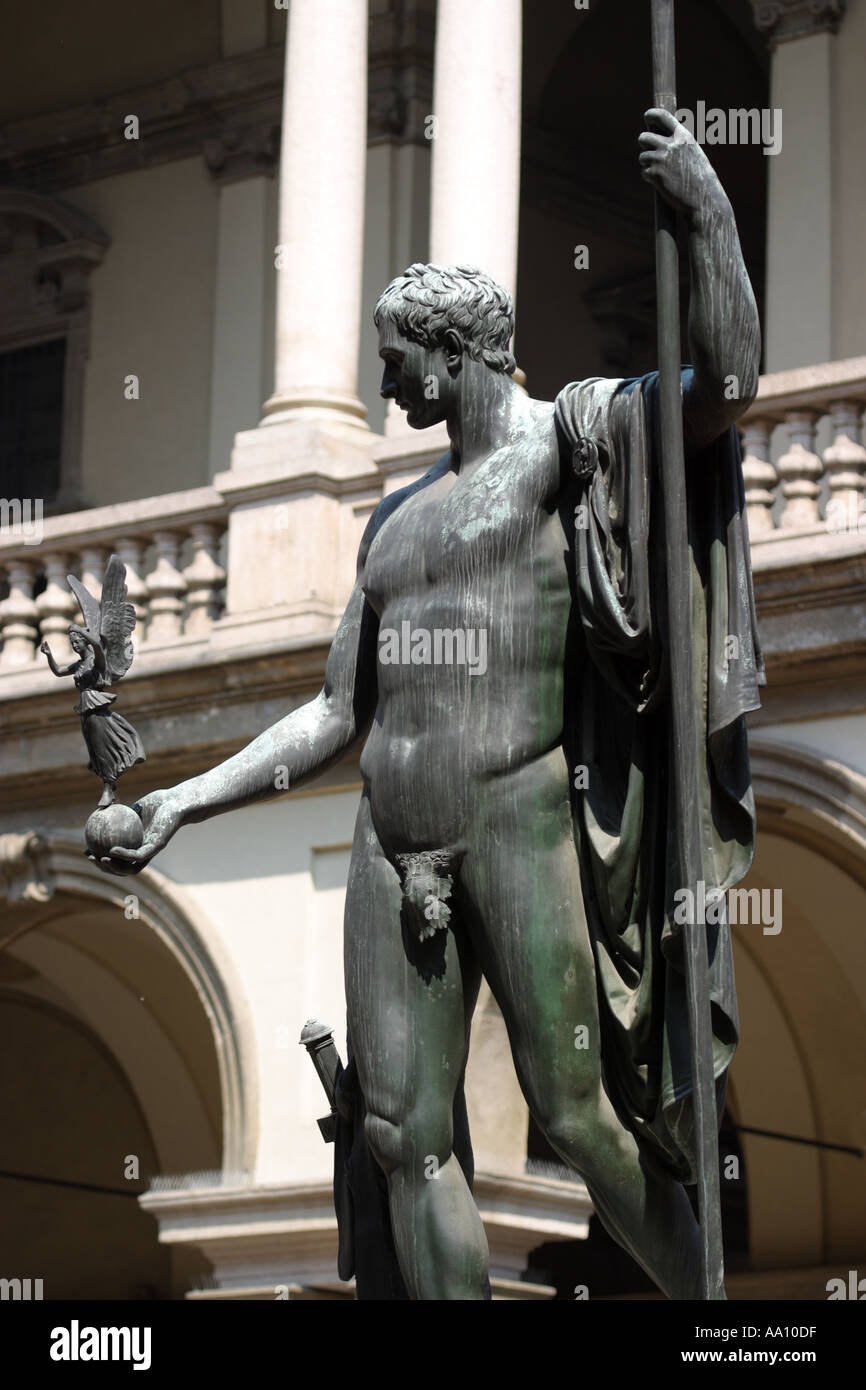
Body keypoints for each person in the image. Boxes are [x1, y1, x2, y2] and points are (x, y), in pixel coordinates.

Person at [97, 110, 763, 1299]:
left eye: (396, 356)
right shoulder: (390, 523)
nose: (384, 379)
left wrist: (706, 214)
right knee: (404, 1136)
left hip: (519, 823)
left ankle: (709, 1316)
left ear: (449, 349)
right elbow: (326, 715)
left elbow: (721, 390)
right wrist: (177, 803)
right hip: (384, 838)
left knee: (572, 1113)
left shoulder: (571, 441)